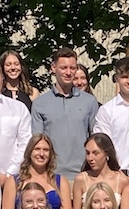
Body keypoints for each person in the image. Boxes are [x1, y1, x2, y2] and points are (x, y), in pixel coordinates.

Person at [29, 47, 100, 177]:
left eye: (72, 68)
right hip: (51, 175)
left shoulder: (89, 102)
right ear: (53, 68)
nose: (68, 72)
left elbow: (96, 140)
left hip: (83, 175)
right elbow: (37, 144)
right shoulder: (40, 103)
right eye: (63, 68)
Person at [72, 133, 129, 209]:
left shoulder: (122, 180)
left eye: (95, 153)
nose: (90, 158)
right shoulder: (81, 179)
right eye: (88, 153)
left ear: (106, 153)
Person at [14, 132, 69, 209]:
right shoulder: (15, 181)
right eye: (37, 149)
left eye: (46, 150)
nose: (41, 154)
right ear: (30, 152)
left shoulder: (60, 181)